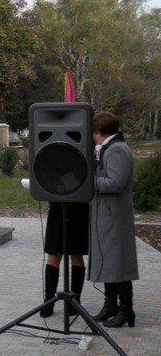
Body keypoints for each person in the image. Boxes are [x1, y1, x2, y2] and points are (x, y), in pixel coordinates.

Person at [89, 111, 139, 328]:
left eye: (92, 132)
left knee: (118, 262)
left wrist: (89, 183)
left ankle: (126, 311)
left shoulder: (118, 149)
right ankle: (110, 306)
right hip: (105, 215)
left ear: (98, 131)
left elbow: (116, 182)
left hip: (115, 216)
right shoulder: (106, 148)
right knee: (108, 260)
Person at [39, 201, 89, 317]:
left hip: (77, 207)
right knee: (54, 254)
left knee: (76, 254)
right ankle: (49, 301)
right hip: (58, 207)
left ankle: (74, 301)